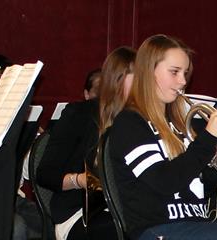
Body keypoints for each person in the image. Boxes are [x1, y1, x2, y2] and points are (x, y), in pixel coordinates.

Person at [103, 34, 217, 239]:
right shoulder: (130, 124)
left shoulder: (180, 125)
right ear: (148, 71)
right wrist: (207, 139)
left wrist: (216, 159)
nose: (183, 81)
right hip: (157, 229)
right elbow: (164, 182)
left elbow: (202, 190)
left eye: (185, 73)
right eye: (174, 72)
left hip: (194, 224)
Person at [36, 46, 135, 240]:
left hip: (126, 211)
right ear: (119, 78)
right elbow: (45, 174)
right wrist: (82, 180)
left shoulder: (141, 120)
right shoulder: (79, 115)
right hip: (80, 214)